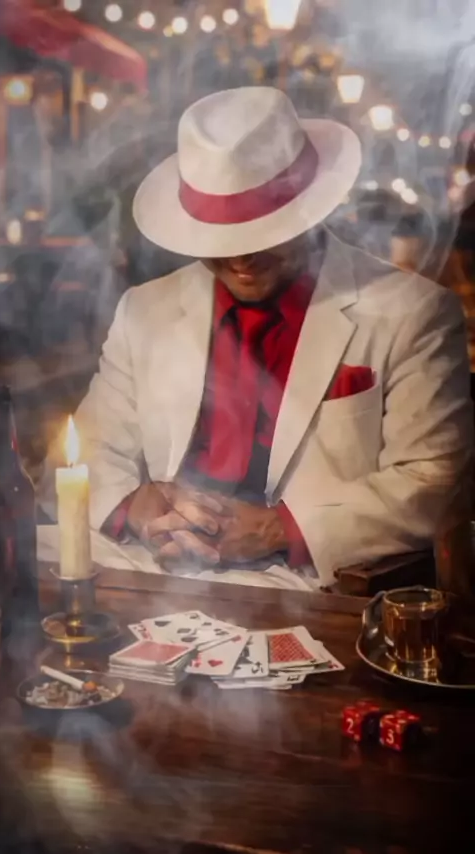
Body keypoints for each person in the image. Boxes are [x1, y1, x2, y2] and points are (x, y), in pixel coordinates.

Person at [66, 87, 472, 589]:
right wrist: (137, 506)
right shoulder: (143, 309)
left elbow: (434, 483)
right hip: (154, 561)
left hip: (313, 578)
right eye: (222, 238)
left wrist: (278, 530)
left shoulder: (413, 312)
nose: (240, 258)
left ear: (312, 211)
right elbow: (86, 450)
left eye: (263, 233)